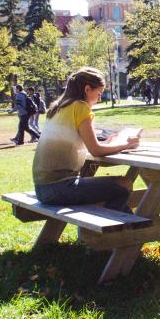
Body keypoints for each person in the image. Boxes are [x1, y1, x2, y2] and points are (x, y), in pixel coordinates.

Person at [32, 67, 139, 212]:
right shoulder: (80, 107)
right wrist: (125, 144)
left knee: (111, 189)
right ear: (87, 89)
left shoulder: (59, 107)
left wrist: (106, 143)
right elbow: (95, 150)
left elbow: (85, 144)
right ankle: (116, 229)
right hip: (59, 188)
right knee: (124, 183)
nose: (100, 98)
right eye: (99, 93)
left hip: (42, 188)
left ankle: (121, 227)